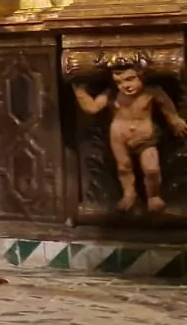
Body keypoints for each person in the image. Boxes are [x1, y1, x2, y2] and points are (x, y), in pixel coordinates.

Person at [73, 59, 187, 214]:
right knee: (124, 167)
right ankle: (129, 194)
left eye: (130, 79)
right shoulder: (112, 94)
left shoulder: (151, 92)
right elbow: (93, 108)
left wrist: (174, 120)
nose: (125, 86)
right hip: (119, 135)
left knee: (152, 169)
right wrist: (80, 93)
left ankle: (153, 196)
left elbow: (166, 107)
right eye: (119, 82)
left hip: (145, 136)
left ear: (142, 76)